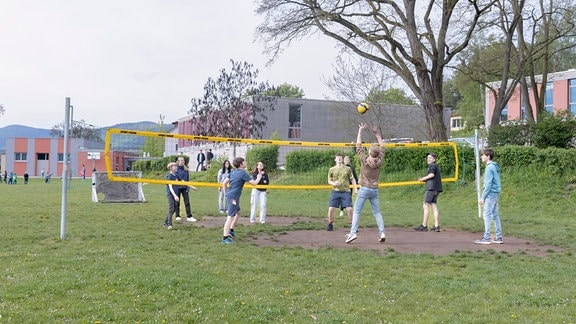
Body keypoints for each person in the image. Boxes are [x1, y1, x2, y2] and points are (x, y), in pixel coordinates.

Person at [345, 123, 386, 243]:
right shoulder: (380, 159)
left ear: (369, 152)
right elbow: (382, 146)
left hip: (364, 188)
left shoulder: (365, 160)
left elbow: (358, 146)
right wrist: (376, 134)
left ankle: (353, 233)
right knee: (377, 212)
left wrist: (360, 130)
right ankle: (382, 232)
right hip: (374, 189)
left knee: (357, 211)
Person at [221, 157, 263, 244]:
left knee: (238, 212)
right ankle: (225, 238)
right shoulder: (243, 173)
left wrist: (226, 193)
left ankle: (231, 230)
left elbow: (224, 183)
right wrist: (259, 177)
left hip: (231, 195)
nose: (246, 163)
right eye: (244, 162)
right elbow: (254, 183)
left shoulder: (233, 172)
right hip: (233, 197)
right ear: (241, 164)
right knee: (230, 216)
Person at [474, 148, 503, 245]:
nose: (481, 157)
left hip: (490, 194)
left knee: (486, 215)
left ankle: (486, 238)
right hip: (495, 193)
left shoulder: (489, 167)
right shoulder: (494, 166)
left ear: (488, 156)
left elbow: (488, 184)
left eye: (483, 155)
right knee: (495, 215)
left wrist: (483, 197)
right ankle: (498, 237)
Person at [326, 152, 358, 231]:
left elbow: (352, 179)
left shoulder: (347, 169)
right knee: (331, 209)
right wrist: (334, 183)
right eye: (338, 157)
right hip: (335, 191)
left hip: (345, 191)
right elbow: (329, 181)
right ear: (335, 159)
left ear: (342, 159)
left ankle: (352, 225)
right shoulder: (332, 169)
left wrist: (355, 189)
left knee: (349, 209)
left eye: (340, 157)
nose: (339, 158)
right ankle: (330, 224)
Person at [415, 152, 443, 232]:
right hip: (436, 188)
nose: (428, 159)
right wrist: (424, 180)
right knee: (434, 205)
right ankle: (436, 226)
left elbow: (431, 175)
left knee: (426, 205)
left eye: (430, 158)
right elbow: (432, 177)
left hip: (431, 188)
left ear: (434, 159)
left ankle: (424, 225)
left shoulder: (432, 165)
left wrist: (423, 178)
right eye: (428, 158)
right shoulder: (434, 166)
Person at [175, 156, 197, 222]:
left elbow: (187, 180)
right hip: (178, 187)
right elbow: (181, 180)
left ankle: (189, 216)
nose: (182, 161)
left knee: (187, 202)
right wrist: (192, 186)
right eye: (181, 160)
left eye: (183, 160)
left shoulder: (186, 170)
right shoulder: (176, 169)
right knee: (177, 202)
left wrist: (188, 188)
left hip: (185, 188)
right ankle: (177, 215)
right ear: (178, 161)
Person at [163, 162, 180, 230]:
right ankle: (169, 224)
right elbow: (170, 187)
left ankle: (165, 222)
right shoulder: (169, 176)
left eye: (176, 166)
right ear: (170, 168)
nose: (176, 167)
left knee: (174, 209)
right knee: (171, 209)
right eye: (174, 166)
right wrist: (175, 196)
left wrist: (191, 186)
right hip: (171, 194)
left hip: (175, 194)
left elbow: (182, 181)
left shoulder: (175, 176)